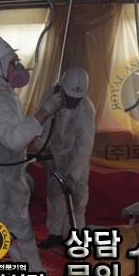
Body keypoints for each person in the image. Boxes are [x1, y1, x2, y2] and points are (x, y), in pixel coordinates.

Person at [0, 35, 62, 276]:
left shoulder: (8, 97)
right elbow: (14, 139)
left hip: (12, 180)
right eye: (13, 62)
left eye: (16, 60)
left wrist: (26, 167)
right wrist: (45, 110)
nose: (19, 67)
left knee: (23, 238)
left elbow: (14, 143)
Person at [38, 66, 96, 249]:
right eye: (69, 97)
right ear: (62, 87)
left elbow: (85, 145)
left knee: (77, 200)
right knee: (55, 196)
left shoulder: (86, 109)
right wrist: (45, 154)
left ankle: (75, 238)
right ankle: (55, 234)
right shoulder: (50, 98)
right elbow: (40, 127)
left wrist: (73, 174)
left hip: (75, 158)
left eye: (76, 99)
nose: (72, 101)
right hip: (54, 154)